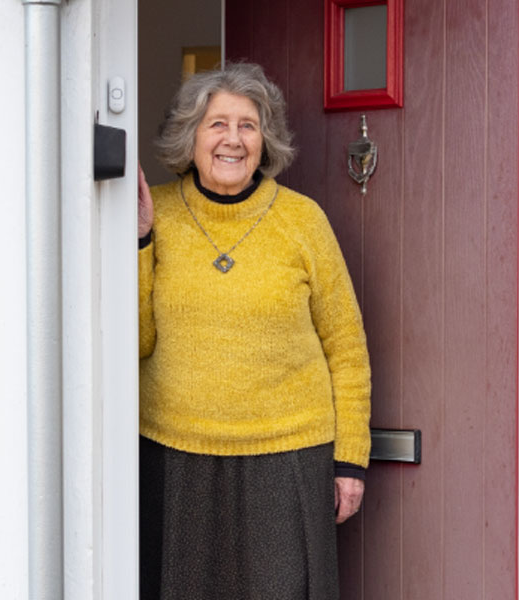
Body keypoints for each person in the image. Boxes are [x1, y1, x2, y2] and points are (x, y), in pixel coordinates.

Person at [135, 62, 371, 600]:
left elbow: (347, 348)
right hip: (177, 457)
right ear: (190, 135)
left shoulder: (302, 220)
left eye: (248, 125)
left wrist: (350, 460)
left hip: (286, 460)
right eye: (217, 124)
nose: (233, 140)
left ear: (265, 142)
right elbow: (136, 342)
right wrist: (141, 243)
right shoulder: (156, 214)